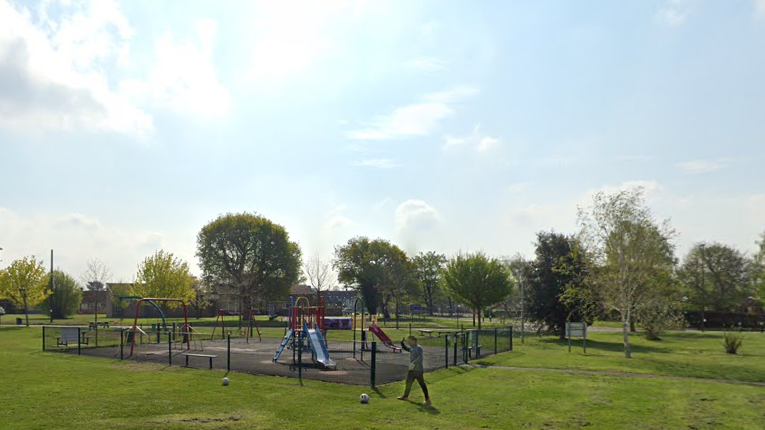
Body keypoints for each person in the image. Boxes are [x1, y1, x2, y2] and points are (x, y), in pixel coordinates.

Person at [397, 336, 431, 403]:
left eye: (409, 340)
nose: (408, 342)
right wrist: (402, 343)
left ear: (414, 341)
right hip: (412, 370)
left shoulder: (418, 348)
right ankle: (405, 397)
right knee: (408, 382)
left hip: (418, 370)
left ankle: (427, 398)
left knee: (422, 384)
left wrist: (413, 364)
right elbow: (407, 348)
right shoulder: (412, 348)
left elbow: (420, 358)